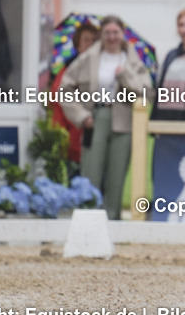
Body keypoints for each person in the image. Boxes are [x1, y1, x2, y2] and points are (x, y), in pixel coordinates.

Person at [59, 15, 152, 219]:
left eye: (115, 33)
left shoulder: (133, 61)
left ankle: (113, 220)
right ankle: (87, 220)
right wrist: (81, 115)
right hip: (95, 118)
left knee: (116, 177)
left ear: (122, 34)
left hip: (124, 120)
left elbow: (147, 92)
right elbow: (64, 89)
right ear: (101, 34)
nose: (111, 37)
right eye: (107, 33)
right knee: (91, 173)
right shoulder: (88, 58)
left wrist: (125, 75)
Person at [50, 22, 100, 164]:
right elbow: (57, 100)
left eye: (94, 40)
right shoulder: (67, 71)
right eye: (86, 40)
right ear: (77, 45)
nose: (91, 44)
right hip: (72, 139)